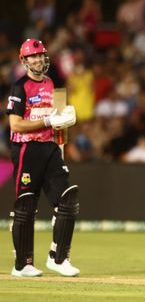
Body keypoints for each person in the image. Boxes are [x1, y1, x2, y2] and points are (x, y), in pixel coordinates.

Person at [5, 39, 80, 277]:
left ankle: (58, 258)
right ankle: (22, 264)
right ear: (24, 61)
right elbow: (15, 124)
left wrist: (65, 119)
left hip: (49, 147)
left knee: (67, 200)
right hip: (26, 149)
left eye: (40, 56)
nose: (38, 60)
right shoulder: (19, 87)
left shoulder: (50, 83)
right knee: (26, 205)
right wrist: (47, 121)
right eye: (33, 57)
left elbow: (55, 120)